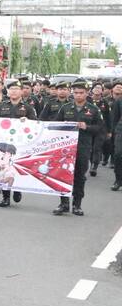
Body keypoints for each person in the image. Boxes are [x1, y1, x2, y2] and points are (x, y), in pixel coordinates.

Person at [54, 79, 103, 216]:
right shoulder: (65, 108)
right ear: (72, 93)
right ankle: (63, 203)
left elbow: (100, 128)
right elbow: (55, 125)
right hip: (66, 147)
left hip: (83, 147)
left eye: (81, 92)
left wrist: (87, 127)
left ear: (87, 93)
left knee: (79, 176)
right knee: (63, 174)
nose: (78, 95)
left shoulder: (94, 109)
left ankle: (77, 204)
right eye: (76, 93)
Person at [0, 79, 37, 208]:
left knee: (17, 167)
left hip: (21, 143)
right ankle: (5, 197)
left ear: (21, 91)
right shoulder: (1, 106)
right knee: (5, 167)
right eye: (11, 89)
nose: (14, 91)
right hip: (5, 142)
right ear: (8, 91)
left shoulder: (28, 108)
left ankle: (17, 189)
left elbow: (36, 123)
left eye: (16, 89)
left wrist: (28, 121)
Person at [90, 83, 111, 177]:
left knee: (97, 148)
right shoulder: (88, 101)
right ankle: (91, 163)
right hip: (89, 128)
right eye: (96, 87)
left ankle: (94, 166)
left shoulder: (104, 102)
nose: (97, 89)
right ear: (92, 90)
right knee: (90, 148)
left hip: (101, 129)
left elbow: (108, 117)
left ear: (102, 91)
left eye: (100, 88)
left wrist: (109, 131)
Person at [112, 81, 122, 191]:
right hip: (120, 131)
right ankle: (118, 180)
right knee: (118, 154)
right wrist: (113, 132)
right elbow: (115, 118)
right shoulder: (119, 100)